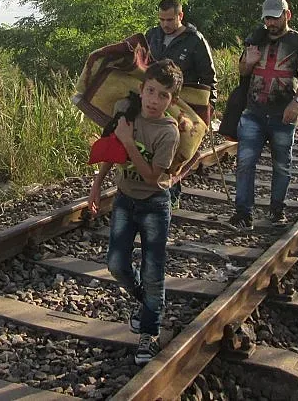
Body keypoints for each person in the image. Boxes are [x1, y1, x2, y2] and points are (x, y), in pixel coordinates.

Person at [87, 59, 183, 365]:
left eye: (163, 95)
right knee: (116, 264)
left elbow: (153, 176)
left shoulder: (168, 132)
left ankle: (149, 334)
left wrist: (129, 142)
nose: (155, 100)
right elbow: (112, 150)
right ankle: (147, 305)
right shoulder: (126, 114)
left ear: (172, 101)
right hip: (125, 200)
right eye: (151, 91)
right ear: (142, 90)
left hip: (154, 204)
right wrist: (97, 185)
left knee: (154, 273)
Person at [230, 0, 298, 230]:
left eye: (275, 17)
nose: (271, 22)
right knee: (245, 163)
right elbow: (243, 69)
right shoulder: (255, 38)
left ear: (287, 15)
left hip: (283, 113)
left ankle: (277, 209)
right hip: (253, 112)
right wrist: (250, 62)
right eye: (267, 17)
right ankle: (243, 213)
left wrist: (297, 102)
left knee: (282, 164)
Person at [145, 0, 217, 209]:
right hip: (154, 104)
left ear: (180, 16)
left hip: (184, 107)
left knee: (176, 153)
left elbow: (209, 79)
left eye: (169, 19)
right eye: (161, 19)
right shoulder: (152, 35)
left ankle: (170, 197)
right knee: (150, 149)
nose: (165, 24)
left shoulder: (195, 40)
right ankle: (150, 193)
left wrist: (208, 111)